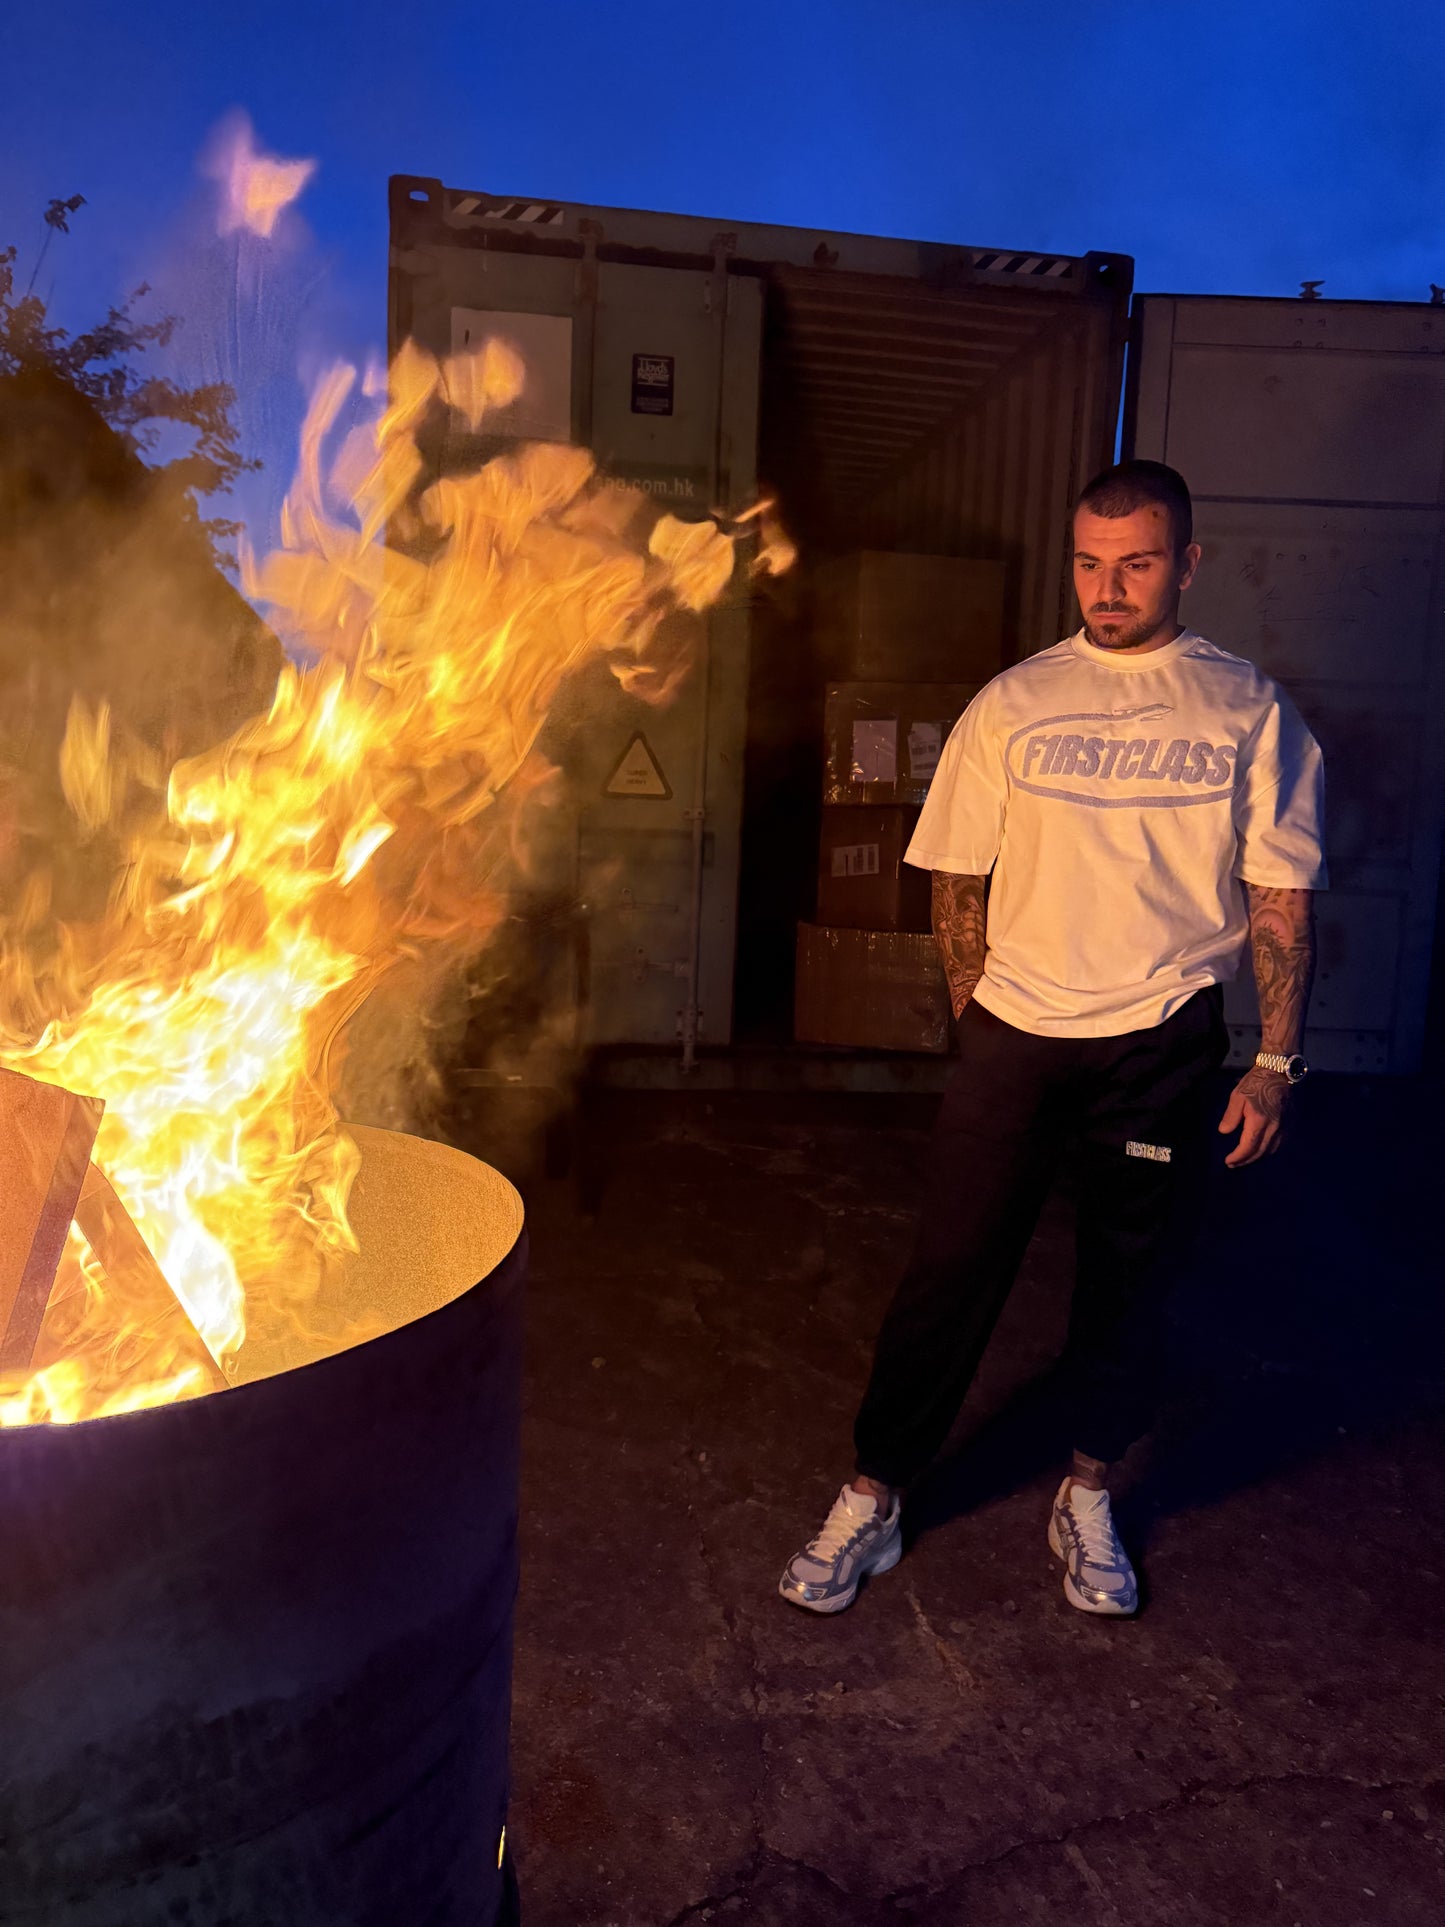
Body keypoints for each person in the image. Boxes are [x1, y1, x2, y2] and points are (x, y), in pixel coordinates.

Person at [780, 460, 1325, 1619]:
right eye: (1088, 561)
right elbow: (956, 877)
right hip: (1015, 1035)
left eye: (1134, 562)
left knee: (1129, 1284)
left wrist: (1272, 1062)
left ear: (1184, 563)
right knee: (947, 1273)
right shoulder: (1015, 702)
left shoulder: (1244, 707)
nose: (1107, 586)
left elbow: (1278, 898)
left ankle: (1084, 1493)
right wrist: (979, 1009)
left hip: (1160, 1041)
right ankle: (874, 1490)